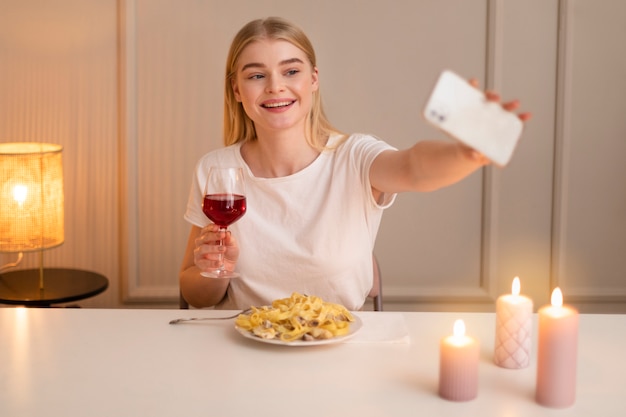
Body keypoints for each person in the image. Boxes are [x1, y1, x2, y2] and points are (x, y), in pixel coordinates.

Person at [179, 16, 531, 310]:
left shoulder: (354, 156)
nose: (275, 87)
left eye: (291, 72)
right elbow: (194, 293)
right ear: (237, 90)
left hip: (340, 346)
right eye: (256, 75)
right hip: (245, 347)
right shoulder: (216, 170)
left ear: (313, 79)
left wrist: (464, 154)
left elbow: (413, 168)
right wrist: (217, 270)